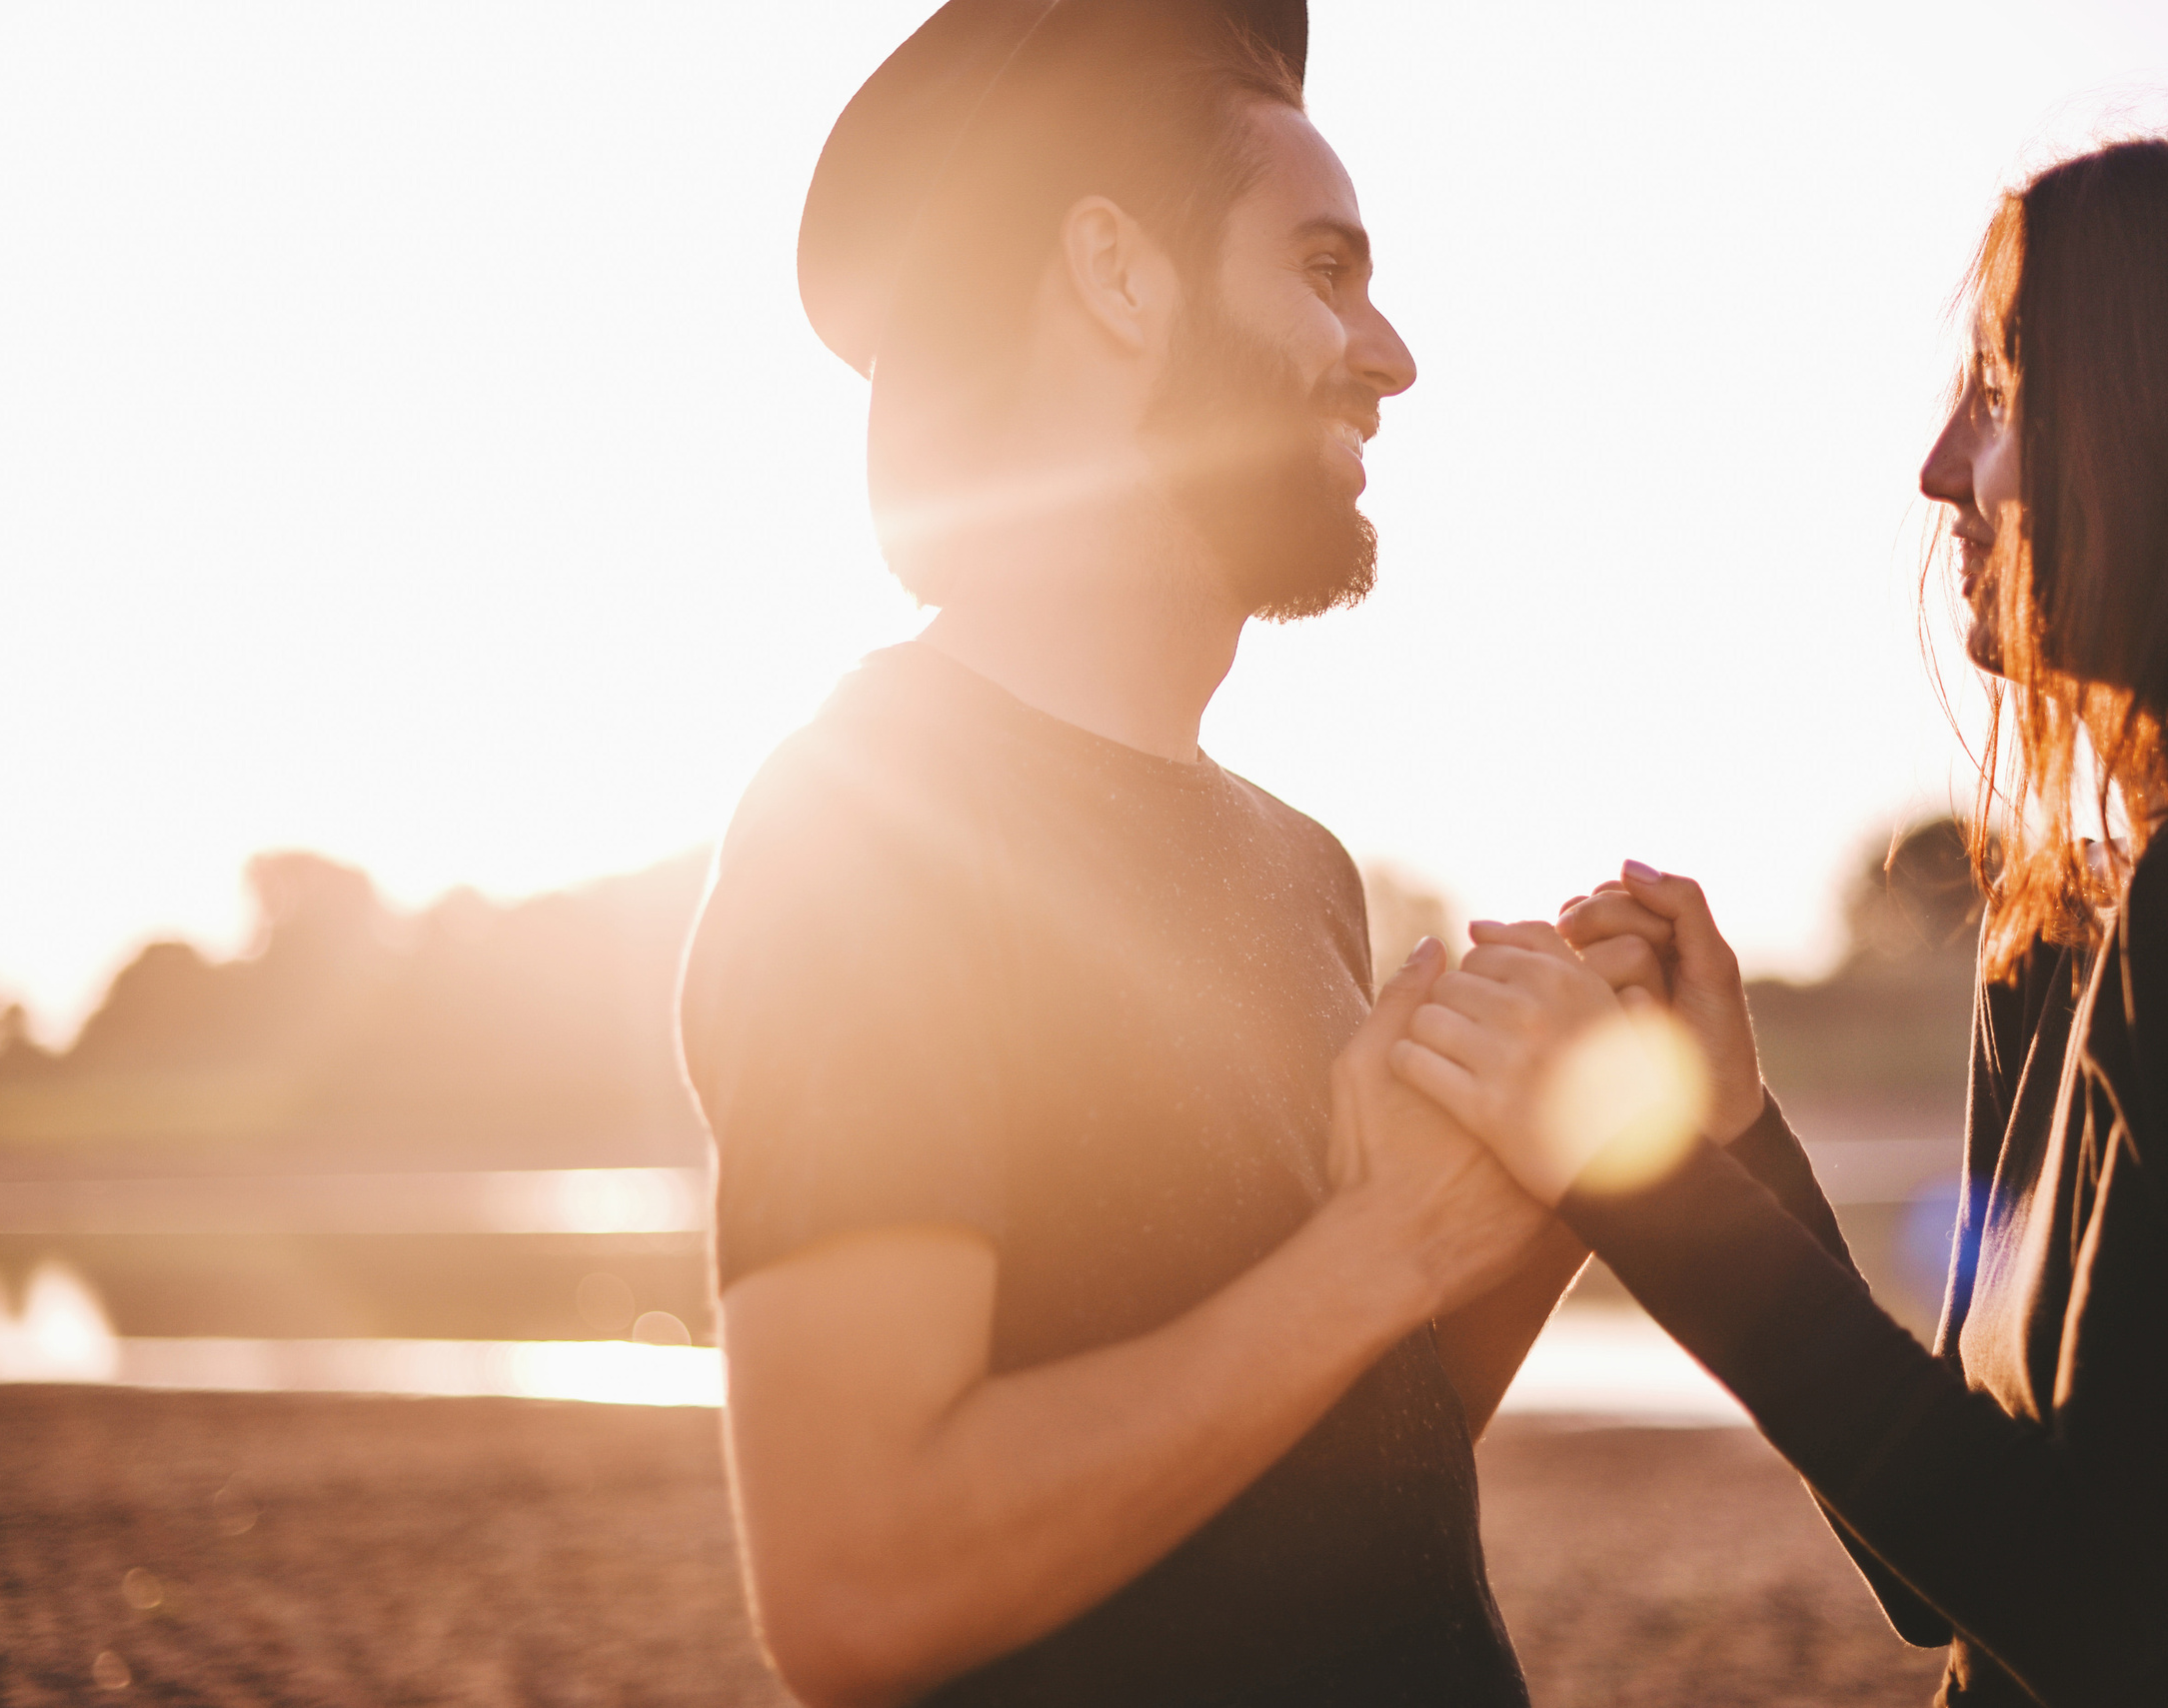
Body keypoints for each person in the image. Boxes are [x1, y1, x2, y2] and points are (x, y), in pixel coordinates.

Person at [1385, 120, 2168, 1706]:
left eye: (2005, 391)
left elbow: (2087, 1609)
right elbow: (1951, 1576)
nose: (1941, 470)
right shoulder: (2071, 938)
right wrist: (1729, 1135)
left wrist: (1608, 1167)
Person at [678, 4, 1584, 1704]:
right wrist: (1381, 1242)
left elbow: (1324, 1463)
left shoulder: (1299, 861)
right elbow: (859, 1583)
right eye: (1324, 267)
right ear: (1117, 274)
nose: (1389, 353)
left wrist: (1520, 1203)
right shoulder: (867, 831)